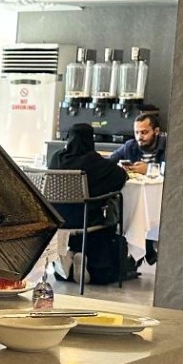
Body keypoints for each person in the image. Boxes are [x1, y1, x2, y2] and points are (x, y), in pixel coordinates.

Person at [47, 122, 129, 285]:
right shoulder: (96, 162)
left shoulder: (57, 158)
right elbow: (121, 176)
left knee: (77, 213)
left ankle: (68, 254)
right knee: (107, 218)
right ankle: (88, 260)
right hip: (86, 219)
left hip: (57, 219)